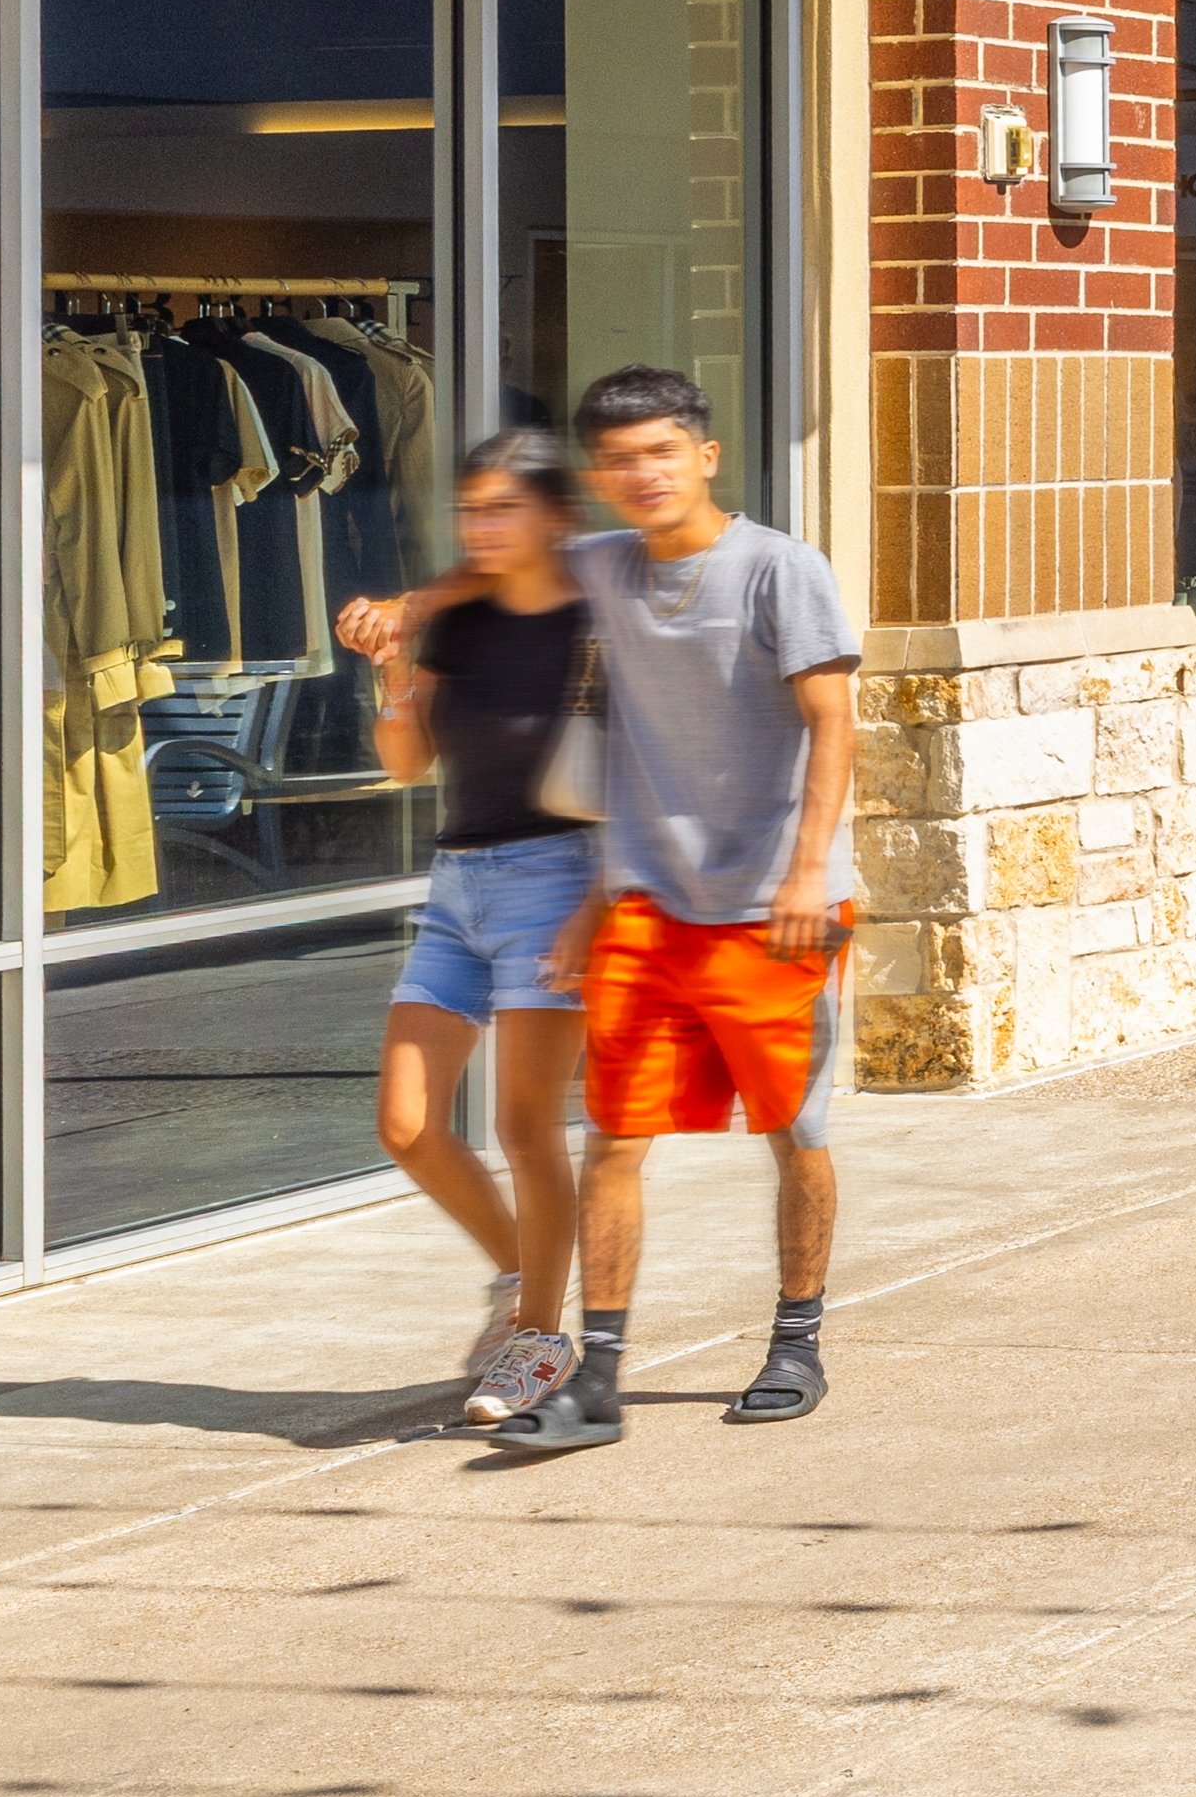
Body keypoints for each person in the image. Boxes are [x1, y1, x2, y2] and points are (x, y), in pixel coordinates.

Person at [334, 366, 858, 1454]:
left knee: (792, 1131)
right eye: (621, 458)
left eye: (661, 451)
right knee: (613, 1141)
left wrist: (810, 870)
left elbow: (832, 722)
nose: (643, 473)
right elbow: (491, 561)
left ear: (705, 454)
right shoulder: (604, 564)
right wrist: (400, 615)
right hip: (645, 904)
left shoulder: (779, 568)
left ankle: (796, 1337)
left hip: (772, 907)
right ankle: (595, 1375)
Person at [368, 428, 598, 1424]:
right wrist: (393, 671)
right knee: (407, 1123)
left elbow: (635, 774)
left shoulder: (595, 624)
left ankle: (543, 1340)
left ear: (556, 515)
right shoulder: (461, 622)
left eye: (504, 507)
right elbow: (405, 764)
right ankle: (519, 1283)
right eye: (471, 509)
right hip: (457, 885)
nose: (482, 527)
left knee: (523, 1125)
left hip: (557, 882)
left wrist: (598, 906)